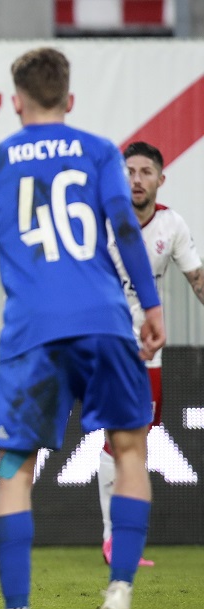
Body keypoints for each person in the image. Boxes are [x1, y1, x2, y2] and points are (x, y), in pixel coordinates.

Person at [0, 48, 163, 609]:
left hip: (32, 335)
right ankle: (120, 590)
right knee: (129, 452)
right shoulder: (101, 150)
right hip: (105, 321)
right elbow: (125, 228)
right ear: (70, 100)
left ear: (15, 102)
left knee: (14, 470)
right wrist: (151, 306)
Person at [97, 141, 203, 567]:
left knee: (134, 442)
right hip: (104, 343)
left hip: (148, 349)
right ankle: (113, 539)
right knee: (120, 439)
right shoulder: (102, 220)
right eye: (130, 171)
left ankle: (117, 539)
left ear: (161, 179)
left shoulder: (171, 225)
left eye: (145, 172)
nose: (136, 179)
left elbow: (197, 278)